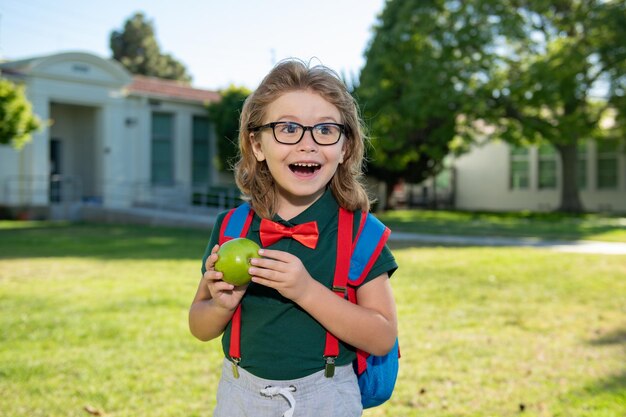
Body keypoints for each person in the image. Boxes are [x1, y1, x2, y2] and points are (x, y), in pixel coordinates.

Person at [189, 59, 398, 417]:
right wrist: (222, 306)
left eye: (325, 129)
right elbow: (199, 325)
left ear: (345, 147)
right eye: (288, 128)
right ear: (256, 145)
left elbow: (381, 337)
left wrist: (306, 291)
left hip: (328, 397)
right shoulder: (231, 228)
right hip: (240, 396)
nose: (307, 144)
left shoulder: (362, 234)